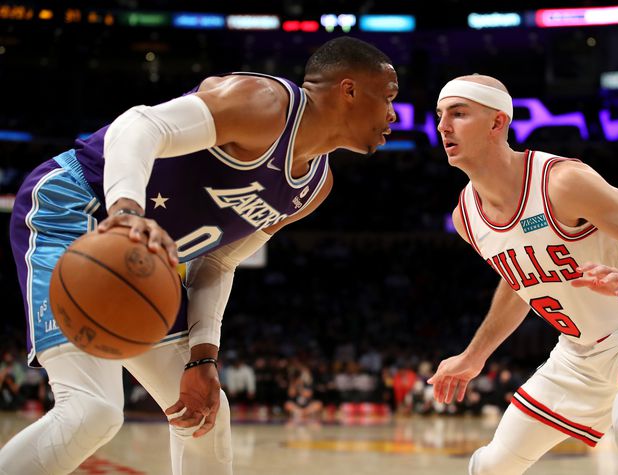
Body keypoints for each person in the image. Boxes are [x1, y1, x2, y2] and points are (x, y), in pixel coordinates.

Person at [1, 36, 397, 474]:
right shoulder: (265, 103)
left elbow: (219, 261)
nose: (394, 114)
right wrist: (127, 211)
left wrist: (203, 356)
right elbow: (139, 125)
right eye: (389, 97)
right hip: (77, 207)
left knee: (204, 414)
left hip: (141, 266)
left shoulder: (313, 188)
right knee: (93, 410)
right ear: (349, 90)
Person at [427, 74, 618, 475]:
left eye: (459, 113)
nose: (442, 127)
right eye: (440, 115)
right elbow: (518, 279)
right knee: (490, 467)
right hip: (578, 355)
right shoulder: (466, 217)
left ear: (497, 123)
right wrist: (474, 357)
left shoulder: (561, 182)